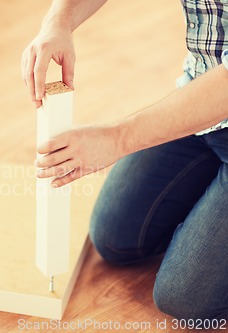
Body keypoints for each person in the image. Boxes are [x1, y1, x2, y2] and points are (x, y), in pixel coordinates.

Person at [22, 0, 228, 320]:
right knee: (115, 240)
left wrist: (118, 138)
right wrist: (58, 22)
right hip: (201, 104)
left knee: (185, 299)